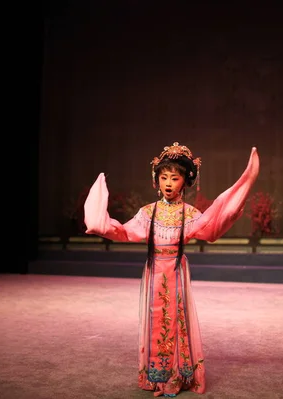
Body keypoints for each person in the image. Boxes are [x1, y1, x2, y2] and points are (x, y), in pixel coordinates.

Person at [84, 142, 260, 397]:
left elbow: (211, 226)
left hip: (176, 273)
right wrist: (101, 224)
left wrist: (231, 207)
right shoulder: (148, 213)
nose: (168, 183)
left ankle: (176, 377)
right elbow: (124, 231)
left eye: (174, 178)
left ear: (184, 182)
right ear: (157, 181)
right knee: (156, 321)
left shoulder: (188, 214)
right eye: (163, 177)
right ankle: (157, 377)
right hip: (154, 271)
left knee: (176, 322)